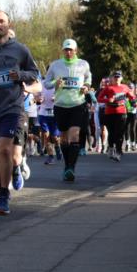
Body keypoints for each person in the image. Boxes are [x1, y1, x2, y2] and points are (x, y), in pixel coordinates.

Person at [0, 10, 40, 214]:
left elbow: (34, 74)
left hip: (12, 107)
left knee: (5, 149)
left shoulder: (20, 50)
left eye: (1, 21)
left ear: (7, 24)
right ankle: (1, 187)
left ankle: (4, 193)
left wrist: (18, 75)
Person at [42, 39, 92, 182]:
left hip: (77, 104)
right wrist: (54, 83)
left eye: (71, 50)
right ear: (63, 51)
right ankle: (66, 165)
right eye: (66, 50)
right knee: (63, 137)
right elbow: (46, 82)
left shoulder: (83, 64)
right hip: (60, 105)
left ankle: (71, 168)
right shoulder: (55, 65)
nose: (68, 52)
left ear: (76, 50)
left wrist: (86, 86)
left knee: (75, 136)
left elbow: (89, 77)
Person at [96, 70, 136, 161]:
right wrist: (108, 100)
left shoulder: (125, 87)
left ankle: (118, 151)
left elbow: (131, 97)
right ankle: (111, 148)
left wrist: (135, 103)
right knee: (112, 133)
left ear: (121, 78)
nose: (117, 79)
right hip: (109, 112)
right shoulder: (107, 88)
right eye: (115, 77)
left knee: (120, 133)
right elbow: (99, 99)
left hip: (121, 112)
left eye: (118, 77)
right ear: (112, 78)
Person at [38, 83, 62, 165]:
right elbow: (36, 95)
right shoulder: (42, 83)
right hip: (43, 114)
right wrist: (39, 99)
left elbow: (64, 96)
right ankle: (51, 156)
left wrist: (57, 98)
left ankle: (57, 147)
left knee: (54, 137)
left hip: (55, 114)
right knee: (46, 136)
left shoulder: (59, 83)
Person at [125, 82, 137, 151]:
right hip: (127, 114)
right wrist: (131, 107)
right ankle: (127, 143)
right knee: (126, 129)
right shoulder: (126, 96)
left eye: (131, 88)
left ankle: (134, 144)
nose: (130, 89)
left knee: (133, 129)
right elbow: (127, 105)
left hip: (135, 114)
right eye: (129, 88)